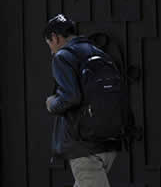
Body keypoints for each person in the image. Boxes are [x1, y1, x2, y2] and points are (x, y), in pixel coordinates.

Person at [44, 14, 120, 187]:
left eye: (49, 44)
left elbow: (71, 97)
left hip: (83, 147)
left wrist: (52, 104)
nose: (51, 50)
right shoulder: (97, 51)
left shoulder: (62, 57)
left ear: (55, 37)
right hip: (109, 141)